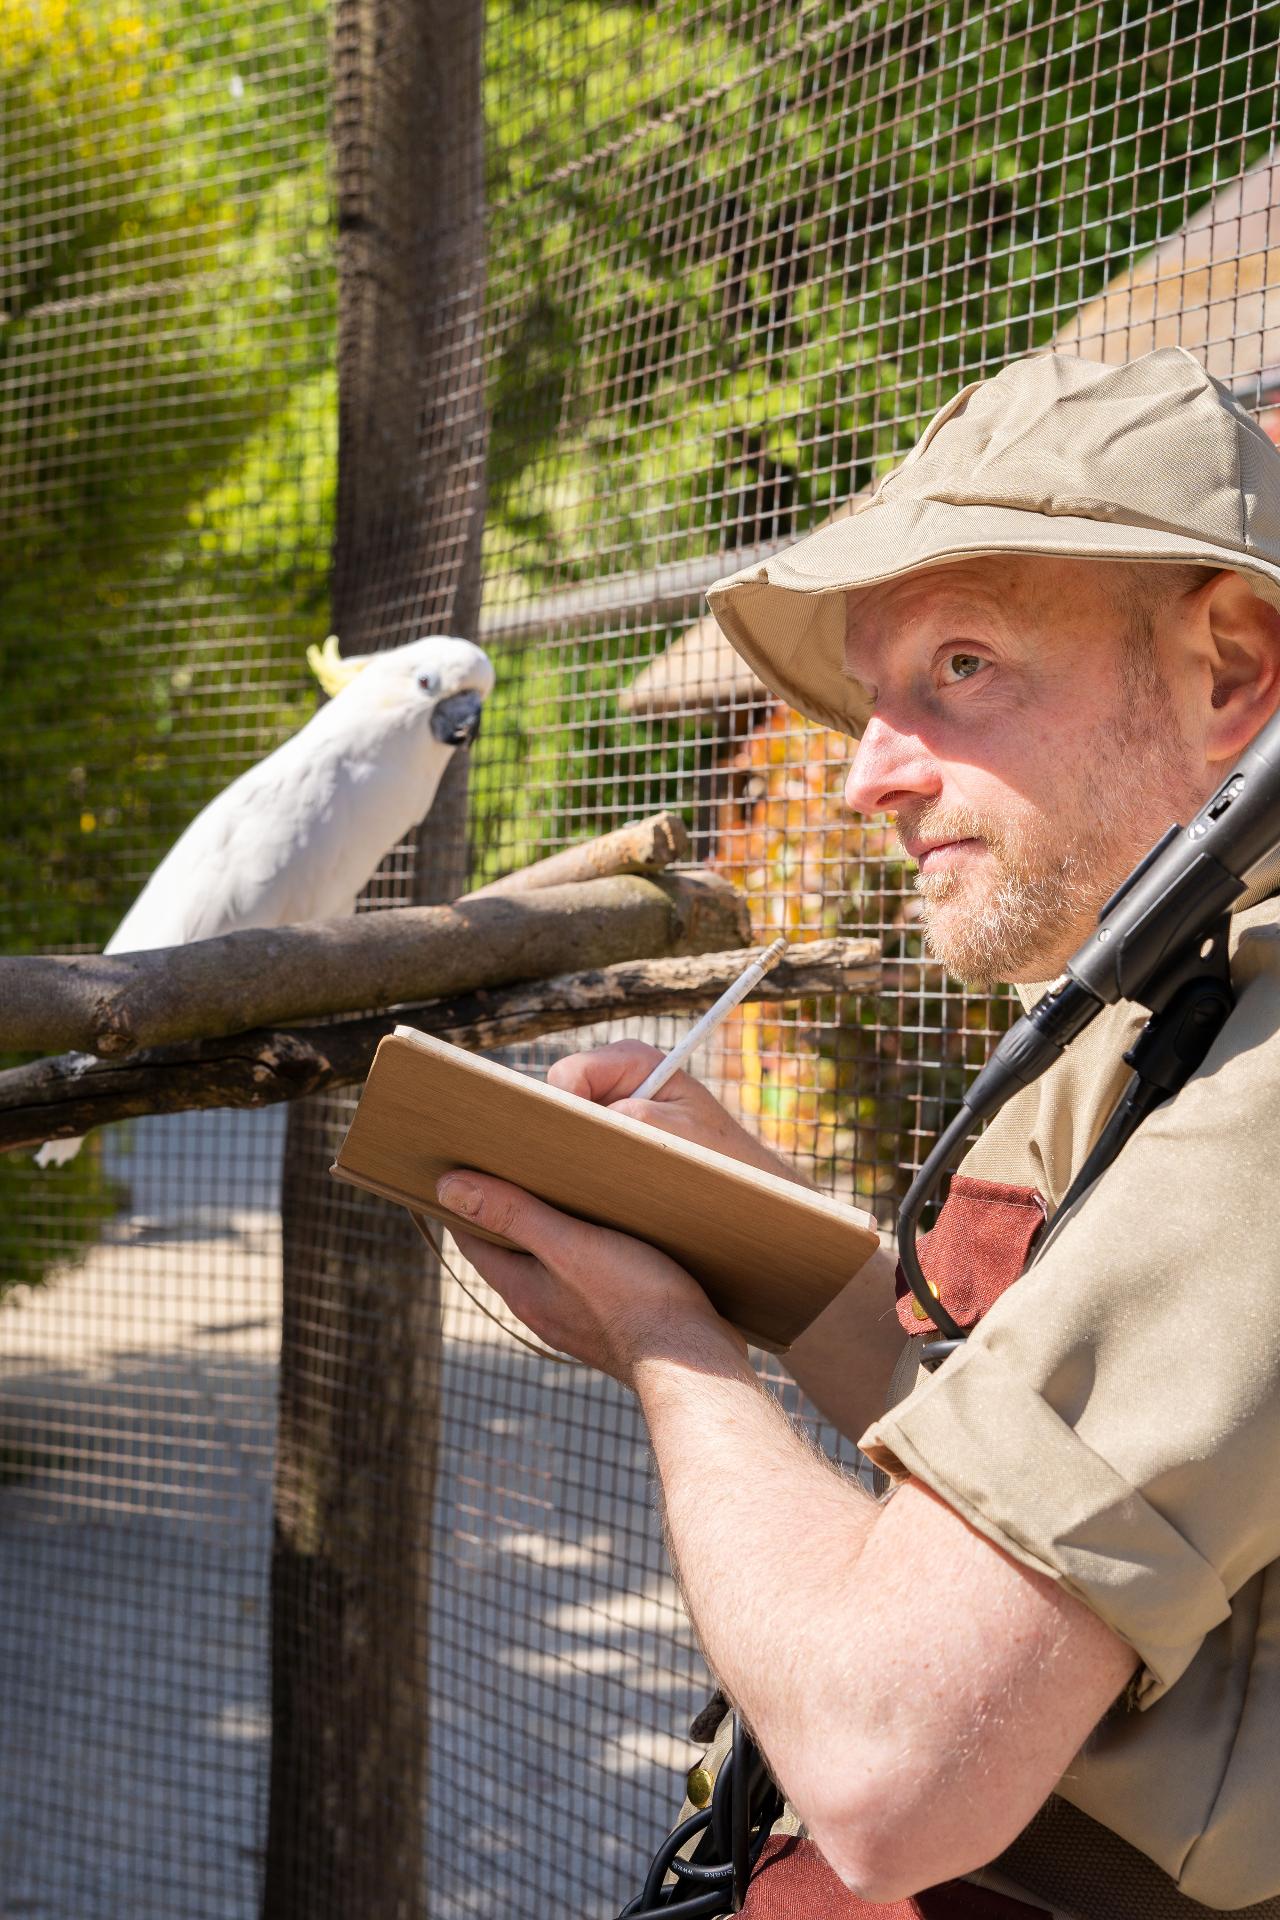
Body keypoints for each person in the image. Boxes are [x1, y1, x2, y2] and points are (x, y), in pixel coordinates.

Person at [438, 349, 1280, 1918]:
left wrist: (667, 1344)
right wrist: (723, 1213)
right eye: (874, 695)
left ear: (1230, 669)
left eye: (960, 668)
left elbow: (897, 1763)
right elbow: (1008, 1435)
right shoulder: (1174, 991)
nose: (870, 775)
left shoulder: (1265, 1084)